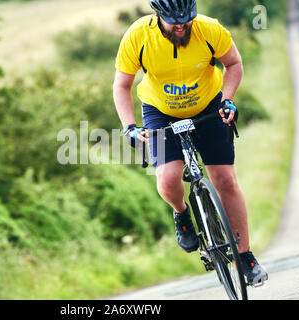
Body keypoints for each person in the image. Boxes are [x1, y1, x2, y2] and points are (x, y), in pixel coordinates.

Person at [113, 0, 268, 285]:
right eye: (174, 20)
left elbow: (233, 63)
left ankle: (245, 256)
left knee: (225, 180)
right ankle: (181, 213)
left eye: (186, 18)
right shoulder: (138, 37)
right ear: (158, 15)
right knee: (168, 178)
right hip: (158, 112)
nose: (182, 25)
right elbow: (121, 86)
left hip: (209, 105)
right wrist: (129, 128)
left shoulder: (210, 30)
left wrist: (228, 98)